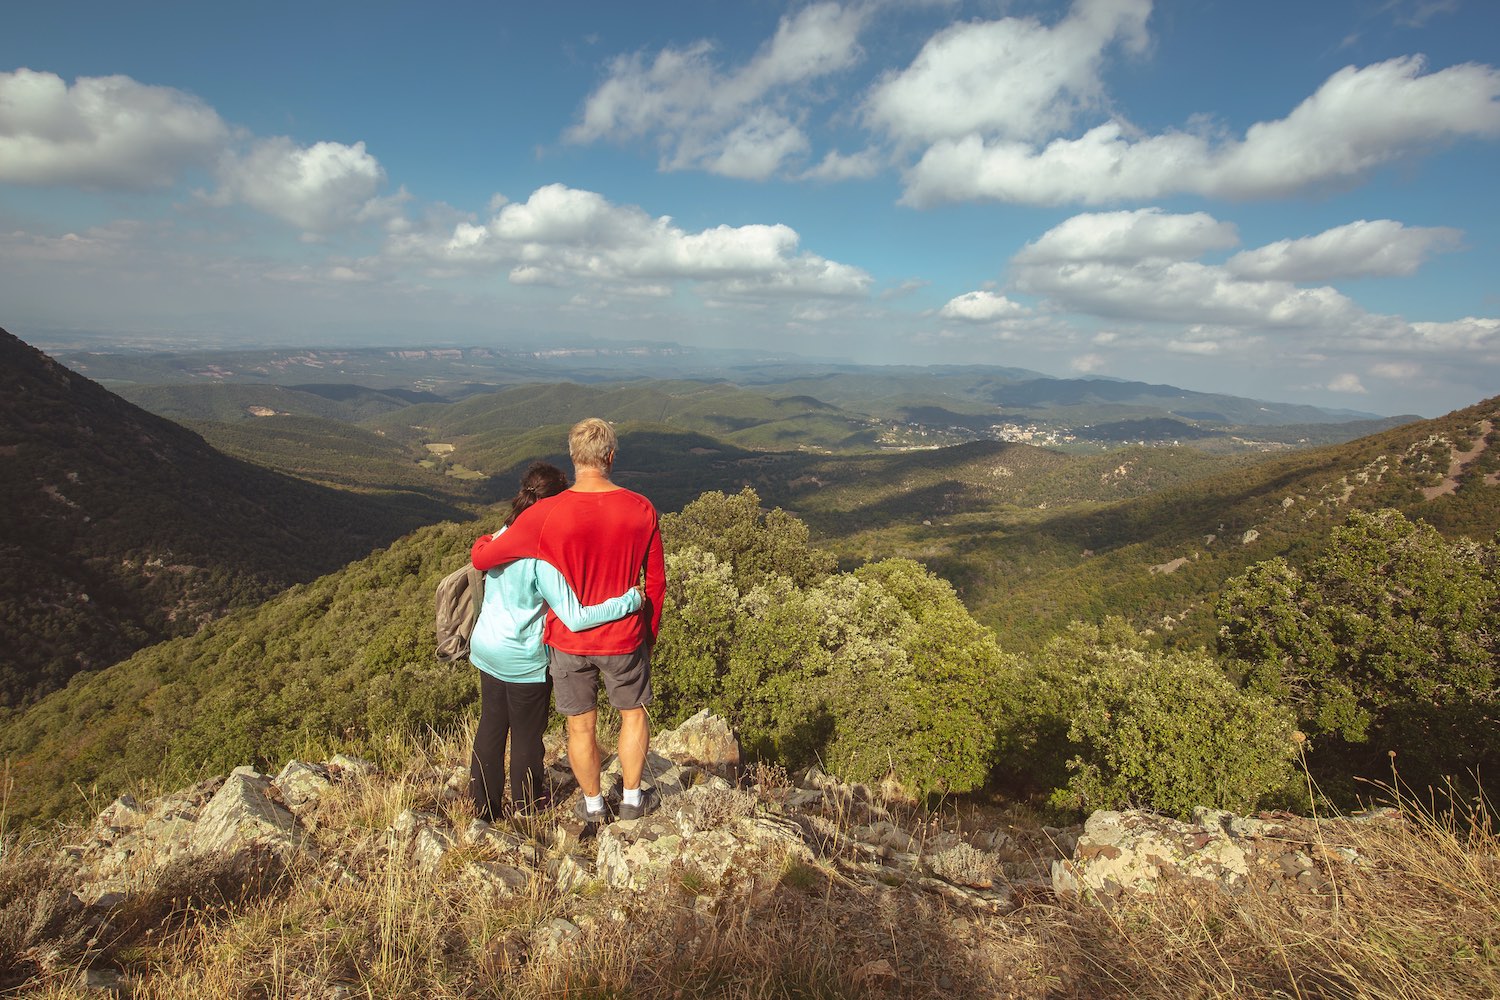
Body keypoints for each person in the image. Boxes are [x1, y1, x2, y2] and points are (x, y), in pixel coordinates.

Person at [471, 418, 666, 824]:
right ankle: (631, 800)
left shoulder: (545, 513)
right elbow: (656, 582)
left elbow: (484, 560)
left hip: (567, 642)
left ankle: (593, 807)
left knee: (580, 727)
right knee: (633, 715)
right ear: (611, 457)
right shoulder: (641, 508)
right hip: (622, 637)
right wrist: (648, 635)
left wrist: (486, 541)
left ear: (575, 458)